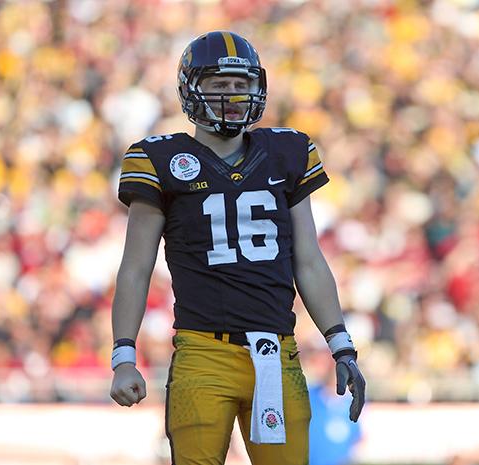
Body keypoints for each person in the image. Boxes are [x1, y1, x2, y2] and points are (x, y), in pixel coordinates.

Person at [108, 31, 366, 465]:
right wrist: (123, 355)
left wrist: (341, 345)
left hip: (276, 352)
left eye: (241, 84)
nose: (232, 95)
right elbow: (135, 266)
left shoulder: (289, 151)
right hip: (201, 353)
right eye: (219, 84)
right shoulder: (157, 159)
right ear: (192, 89)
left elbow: (308, 258)